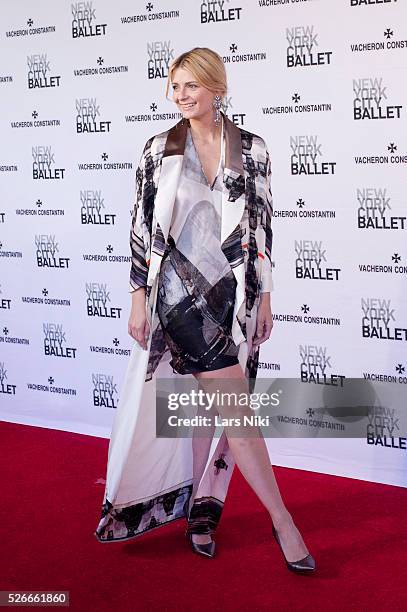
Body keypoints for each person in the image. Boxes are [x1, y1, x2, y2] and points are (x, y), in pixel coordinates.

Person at [95, 47, 315, 574]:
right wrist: (136, 297)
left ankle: (199, 509)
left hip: (230, 298)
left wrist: (264, 296)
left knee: (197, 409)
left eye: (191, 86)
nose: (181, 96)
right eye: (174, 87)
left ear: (218, 86)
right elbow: (140, 228)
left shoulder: (254, 149)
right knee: (237, 414)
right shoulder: (157, 150)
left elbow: (262, 229)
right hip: (175, 297)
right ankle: (283, 521)